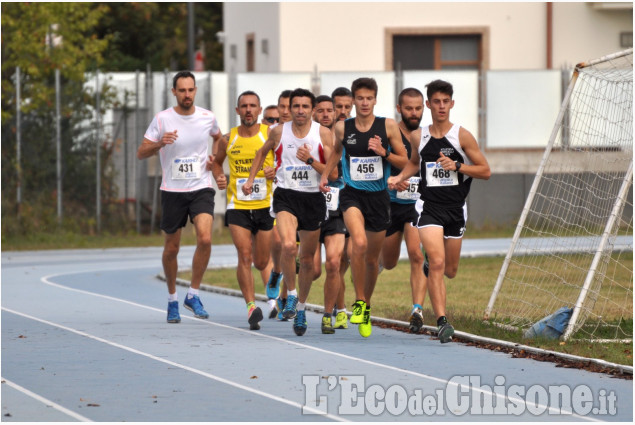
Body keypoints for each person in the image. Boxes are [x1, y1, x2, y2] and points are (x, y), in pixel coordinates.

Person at [387, 79, 491, 343]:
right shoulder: (417, 136)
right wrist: (399, 177)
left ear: (452, 104)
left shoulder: (461, 135)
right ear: (428, 105)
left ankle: (430, 269)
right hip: (427, 207)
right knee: (437, 262)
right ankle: (442, 321)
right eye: (436, 101)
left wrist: (458, 166)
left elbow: (485, 171)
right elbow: (413, 164)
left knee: (451, 270)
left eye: (446, 101)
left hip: (455, 209)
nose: (441, 106)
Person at [320, 77, 408, 338]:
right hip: (352, 196)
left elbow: (405, 161)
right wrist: (326, 174)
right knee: (357, 244)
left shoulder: (388, 126)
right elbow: (337, 151)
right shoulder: (342, 128)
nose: (365, 103)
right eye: (360, 98)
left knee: (372, 260)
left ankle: (365, 306)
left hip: (379, 198)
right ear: (354, 100)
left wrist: (384, 152)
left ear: (375, 100)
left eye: (369, 98)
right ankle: (358, 301)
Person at [243, 88, 335, 336]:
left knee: (307, 260)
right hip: (286, 196)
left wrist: (310, 162)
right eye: (296, 106)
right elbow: (261, 154)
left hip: (313, 199)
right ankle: (291, 295)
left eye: (306, 106)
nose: (301, 111)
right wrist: (253, 179)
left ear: (312, 109)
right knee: (287, 245)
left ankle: (302, 309)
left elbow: (334, 172)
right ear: (290, 108)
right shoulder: (278, 132)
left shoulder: (323, 133)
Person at [137, 70, 226, 323]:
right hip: (172, 191)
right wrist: (159, 143)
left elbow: (219, 138)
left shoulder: (207, 117)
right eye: (182, 90)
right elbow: (141, 153)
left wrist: (216, 160)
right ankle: (172, 298)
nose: (187, 95)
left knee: (206, 239)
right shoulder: (162, 119)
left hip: (200, 187)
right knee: (171, 248)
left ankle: (193, 294)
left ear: (195, 90)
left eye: (191, 90)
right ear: (174, 92)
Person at [210, 90, 276, 330]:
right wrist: (219, 177)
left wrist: (274, 170)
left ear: (259, 110)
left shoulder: (271, 135)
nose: (248, 110)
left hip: (265, 205)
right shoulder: (229, 139)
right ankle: (251, 307)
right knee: (244, 256)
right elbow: (217, 163)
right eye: (244, 106)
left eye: (253, 106)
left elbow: (286, 161)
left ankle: (271, 296)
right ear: (237, 111)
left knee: (261, 261)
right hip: (237, 205)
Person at [379, 88, 427, 333]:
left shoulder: (427, 135)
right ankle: (376, 261)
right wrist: (394, 178)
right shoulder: (389, 133)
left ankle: (417, 310)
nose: (414, 113)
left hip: (416, 204)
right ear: (399, 108)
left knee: (417, 255)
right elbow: (378, 163)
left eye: (418, 108)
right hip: (390, 203)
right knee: (389, 262)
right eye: (409, 108)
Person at [310, 95, 348, 334]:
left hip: (336, 208)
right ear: (314, 113)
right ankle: (295, 298)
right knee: (313, 270)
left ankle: (333, 313)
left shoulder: (343, 138)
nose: (325, 115)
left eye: (329, 111)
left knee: (334, 264)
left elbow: (334, 175)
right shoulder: (304, 138)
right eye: (320, 111)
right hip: (310, 208)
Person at [266, 90, 292, 320]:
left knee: (293, 248)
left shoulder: (306, 132)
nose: (285, 111)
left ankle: (285, 296)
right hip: (276, 191)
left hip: (301, 193)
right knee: (278, 241)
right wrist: (267, 170)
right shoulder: (272, 132)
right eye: (281, 107)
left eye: (288, 106)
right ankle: (276, 271)